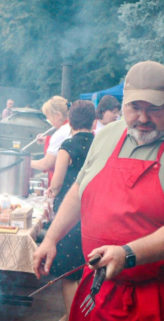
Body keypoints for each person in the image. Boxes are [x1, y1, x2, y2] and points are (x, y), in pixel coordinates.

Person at [33, 60, 164, 321]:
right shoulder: (106, 135)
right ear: (123, 103)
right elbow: (80, 189)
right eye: (135, 107)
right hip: (97, 292)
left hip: (152, 296)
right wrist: (51, 238)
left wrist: (127, 253)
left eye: (155, 109)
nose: (143, 118)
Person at [45, 100, 96, 321]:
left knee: (68, 274)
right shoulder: (100, 143)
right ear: (94, 121)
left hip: (70, 215)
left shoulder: (67, 145)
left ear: (71, 121)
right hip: (94, 213)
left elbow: (57, 184)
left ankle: (73, 317)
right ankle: (72, 315)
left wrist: (50, 194)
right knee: (86, 270)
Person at [31, 96, 71, 185]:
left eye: (49, 116)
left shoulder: (61, 132)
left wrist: (25, 161)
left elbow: (46, 164)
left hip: (61, 183)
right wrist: (48, 140)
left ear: (58, 115)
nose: (48, 119)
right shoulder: (71, 127)